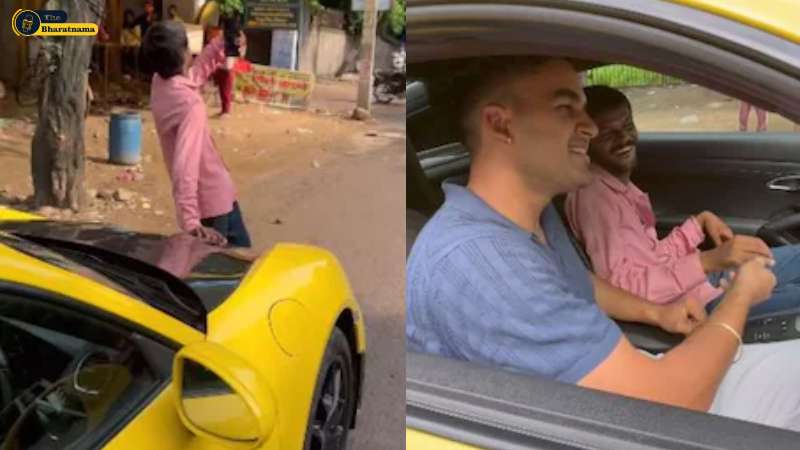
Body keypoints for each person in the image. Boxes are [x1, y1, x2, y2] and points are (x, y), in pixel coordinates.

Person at [406, 56, 800, 431]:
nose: (590, 128)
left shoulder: (528, 217)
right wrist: (741, 297)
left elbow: (580, 281)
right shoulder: (483, 264)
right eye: (566, 108)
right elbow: (670, 404)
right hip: (637, 420)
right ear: (501, 125)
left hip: (624, 385)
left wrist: (656, 314)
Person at [565, 85, 800, 317]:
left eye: (627, 126)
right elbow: (622, 291)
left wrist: (698, 224)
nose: (624, 138)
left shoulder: (615, 187)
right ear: (586, 139)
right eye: (607, 134)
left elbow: (651, 259)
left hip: (698, 285)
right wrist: (707, 261)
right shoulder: (593, 199)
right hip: (700, 304)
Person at [141, 21, 251, 247]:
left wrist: (221, 43)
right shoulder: (190, 105)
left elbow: (195, 74)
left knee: (239, 260)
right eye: (188, 47)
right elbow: (185, 163)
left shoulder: (161, 84)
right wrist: (191, 221)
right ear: (182, 55)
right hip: (211, 204)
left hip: (218, 196)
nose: (192, 52)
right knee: (228, 273)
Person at [121, 9, 142, 77]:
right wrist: (124, 46)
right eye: (127, 17)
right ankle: (126, 71)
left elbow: (137, 38)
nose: (128, 19)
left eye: (130, 17)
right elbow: (122, 38)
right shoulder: (124, 28)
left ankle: (136, 72)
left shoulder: (137, 27)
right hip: (127, 46)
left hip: (135, 45)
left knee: (134, 53)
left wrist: (129, 46)